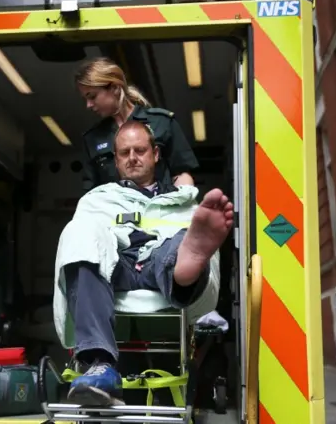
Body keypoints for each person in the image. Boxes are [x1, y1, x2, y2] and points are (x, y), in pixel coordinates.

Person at [53, 120, 232, 406]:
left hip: (160, 264)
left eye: (140, 150)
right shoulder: (97, 200)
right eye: (124, 152)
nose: (132, 157)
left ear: (156, 154)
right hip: (115, 267)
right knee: (78, 233)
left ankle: (186, 264)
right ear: (115, 159)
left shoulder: (180, 200)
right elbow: (85, 245)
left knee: (181, 238)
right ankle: (101, 364)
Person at [76, 57, 199, 192]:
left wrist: (182, 204)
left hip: (160, 208)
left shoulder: (162, 122)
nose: (88, 105)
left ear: (115, 88)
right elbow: (92, 190)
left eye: (92, 96)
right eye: (85, 99)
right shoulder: (92, 138)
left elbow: (181, 174)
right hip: (115, 211)